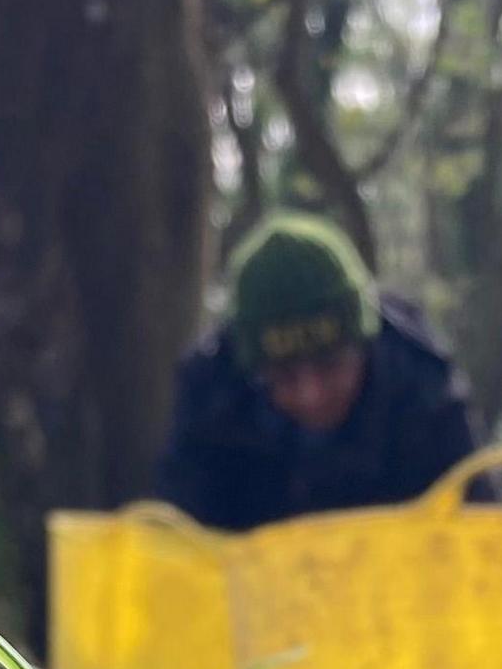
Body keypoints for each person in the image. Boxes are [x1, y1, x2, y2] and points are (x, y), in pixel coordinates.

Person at [151, 213, 478, 531]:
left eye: (330, 366)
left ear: (365, 347)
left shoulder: (423, 387)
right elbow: (177, 548)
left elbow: (485, 532)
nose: (311, 395)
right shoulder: (212, 400)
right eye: (284, 376)